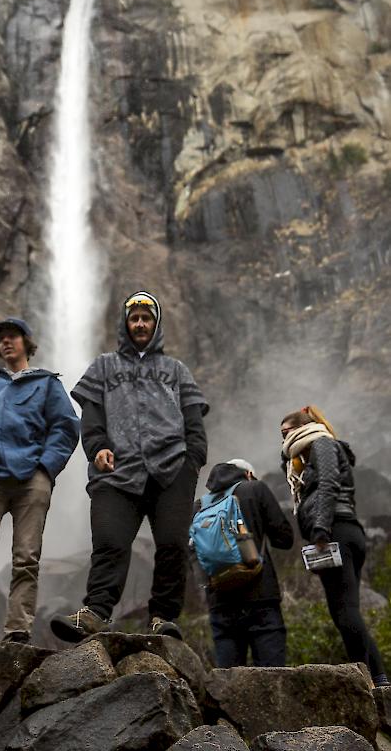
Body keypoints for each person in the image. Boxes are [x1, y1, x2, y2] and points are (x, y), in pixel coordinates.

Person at [50, 291, 209, 642]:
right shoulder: (103, 367)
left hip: (171, 469)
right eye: (134, 318)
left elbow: (194, 421)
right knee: (109, 541)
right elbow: (90, 419)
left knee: (172, 544)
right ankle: (95, 613)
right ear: (126, 323)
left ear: (156, 324)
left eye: (146, 318)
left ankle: (163, 617)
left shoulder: (176, 370)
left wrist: (191, 462)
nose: (140, 323)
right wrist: (97, 449)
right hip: (117, 471)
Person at [0, 316, 80, 655]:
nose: (6, 342)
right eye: (1, 338)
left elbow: (66, 428)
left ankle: (18, 632)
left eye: (13, 336)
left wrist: (45, 469)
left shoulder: (47, 385)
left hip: (31, 481)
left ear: (27, 342)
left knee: (26, 558)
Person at [280, 404, 388, 685]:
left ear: (301, 428)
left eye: (285, 433)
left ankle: (363, 682)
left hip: (336, 531)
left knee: (345, 612)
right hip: (338, 530)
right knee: (345, 612)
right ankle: (379, 678)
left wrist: (320, 528)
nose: (283, 440)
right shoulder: (308, 454)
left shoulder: (322, 444)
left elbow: (328, 483)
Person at [198, 457, 294, 667]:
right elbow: (285, 538)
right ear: (248, 475)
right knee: (273, 677)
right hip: (260, 594)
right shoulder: (255, 489)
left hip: (220, 599)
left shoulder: (200, 505)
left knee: (228, 682)